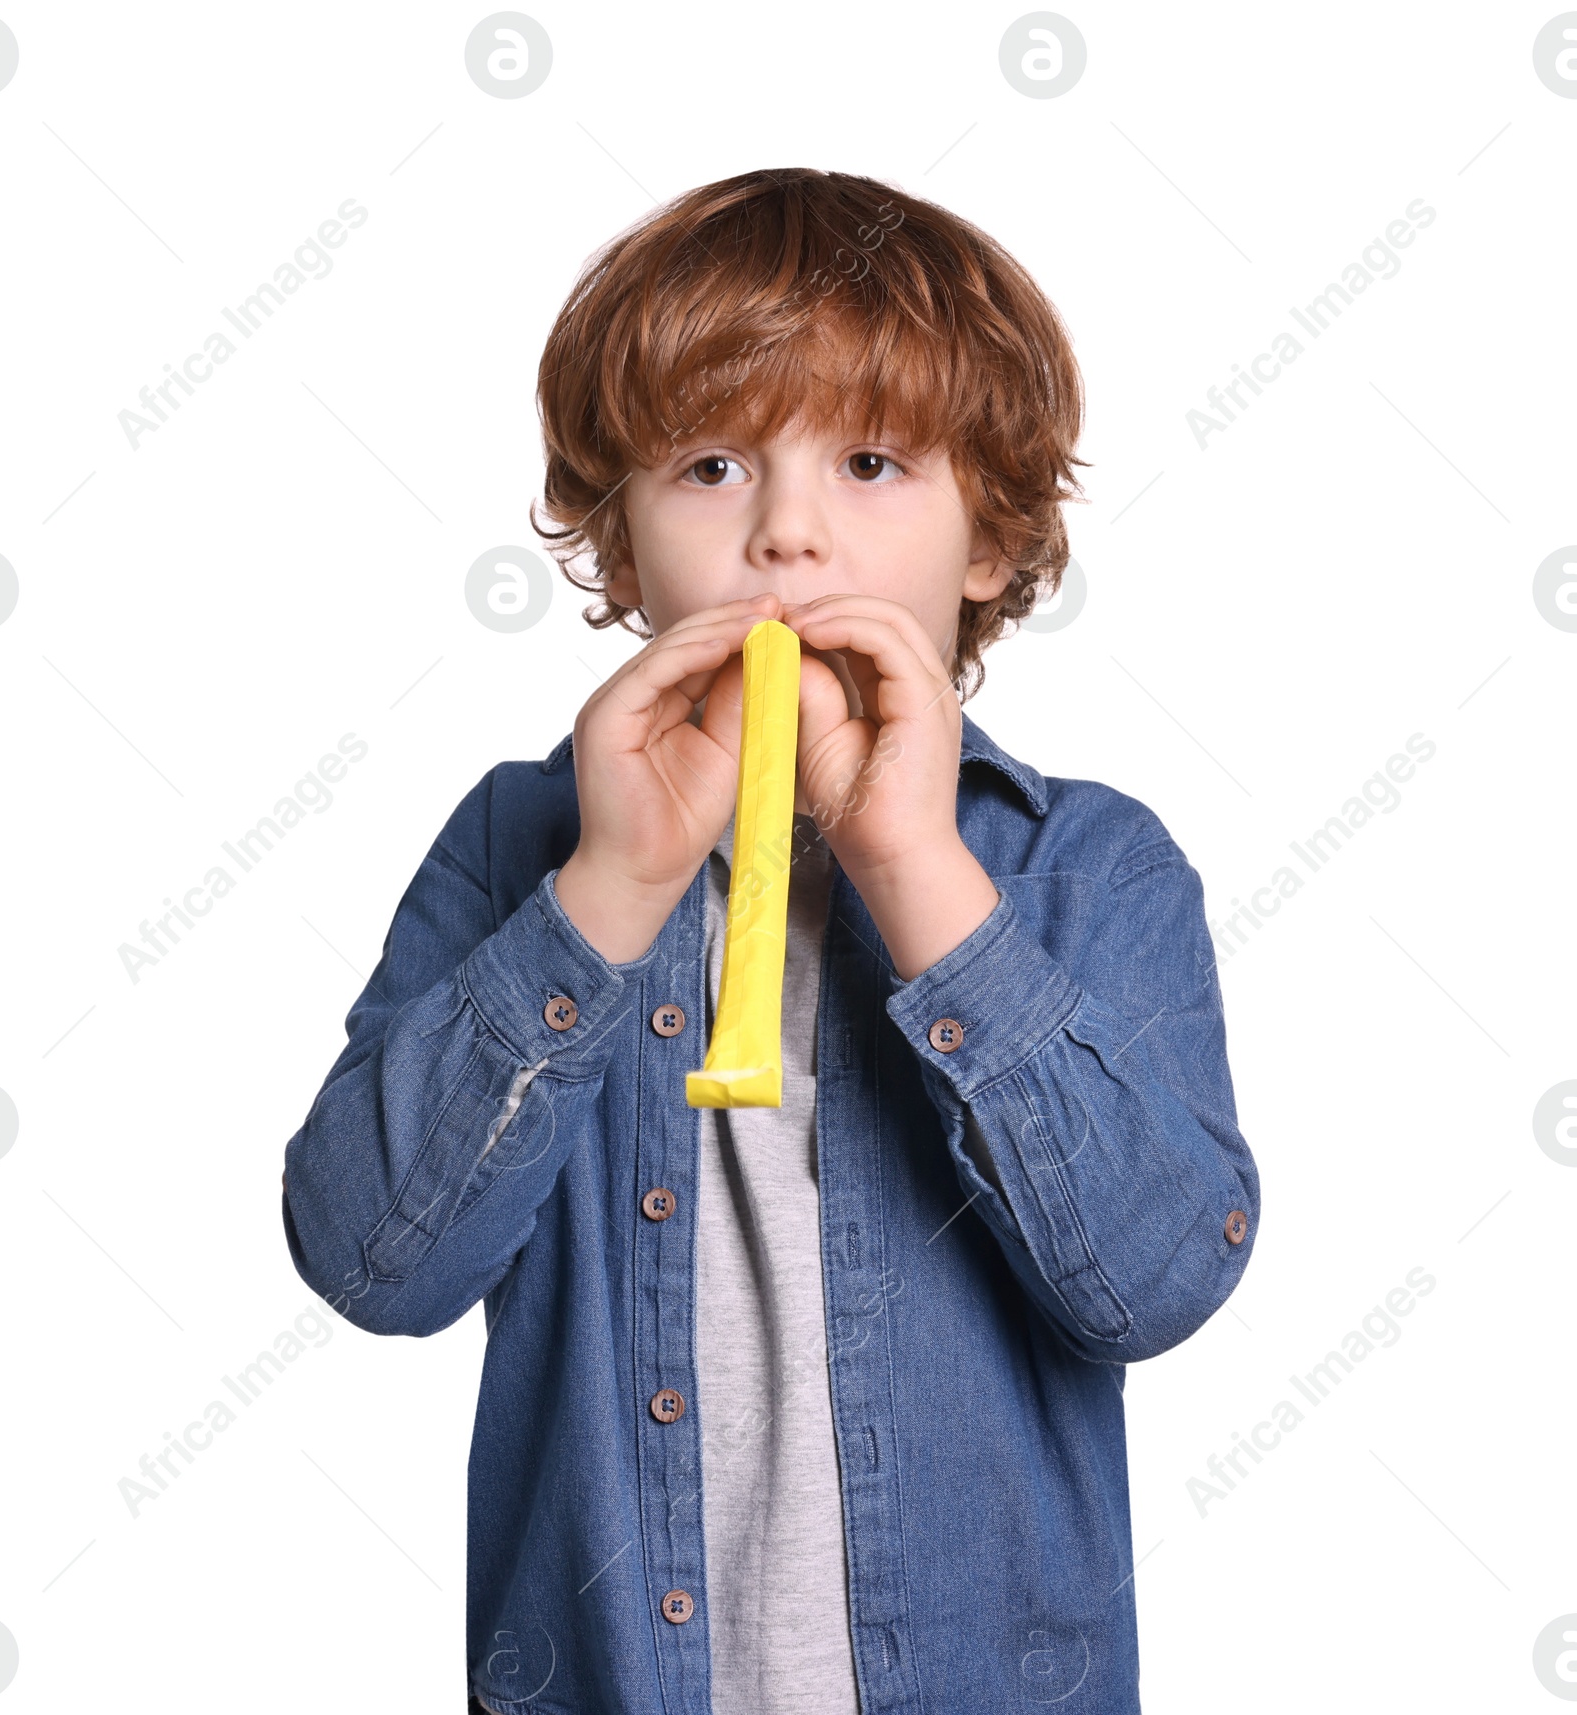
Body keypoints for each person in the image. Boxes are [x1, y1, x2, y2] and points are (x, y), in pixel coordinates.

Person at [281, 167, 1259, 1715]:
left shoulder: (1090, 868)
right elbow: (368, 1260)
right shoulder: (517, 849)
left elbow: (1150, 1287)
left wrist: (913, 866)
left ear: (991, 542)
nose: (787, 536)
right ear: (617, 550)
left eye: (872, 462)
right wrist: (608, 888)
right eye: (714, 466)